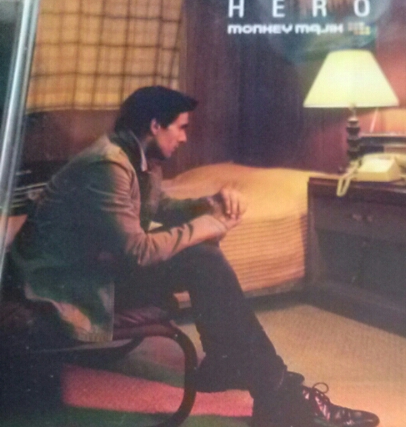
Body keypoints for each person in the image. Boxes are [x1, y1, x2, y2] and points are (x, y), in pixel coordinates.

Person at [7, 86, 379, 427]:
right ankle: (277, 394)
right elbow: (138, 252)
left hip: (92, 270)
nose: (185, 138)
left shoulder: (138, 157)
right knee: (203, 259)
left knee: (202, 258)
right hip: (61, 287)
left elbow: (160, 206)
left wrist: (209, 203)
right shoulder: (108, 165)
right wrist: (208, 225)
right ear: (155, 125)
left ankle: (229, 365)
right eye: (181, 128)